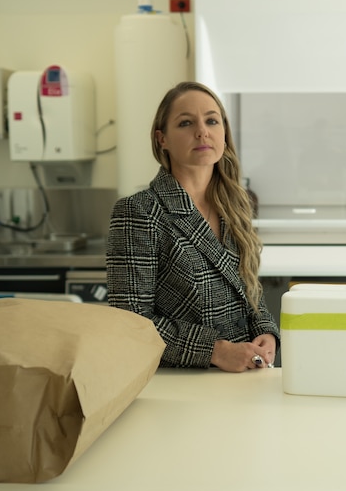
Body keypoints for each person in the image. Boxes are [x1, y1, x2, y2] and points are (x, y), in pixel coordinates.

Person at [107, 81, 278, 372]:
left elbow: (248, 288)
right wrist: (215, 350)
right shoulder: (140, 211)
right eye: (186, 123)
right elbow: (130, 323)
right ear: (163, 139)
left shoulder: (236, 204)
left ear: (223, 132)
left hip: (247, 375)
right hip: (183, 381)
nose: (202, 131)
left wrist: (266, 331)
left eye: (211, 120)